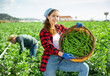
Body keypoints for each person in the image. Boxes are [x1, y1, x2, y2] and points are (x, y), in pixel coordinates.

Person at [39, 8, 89, 76]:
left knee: (84, 67)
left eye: (57, 16)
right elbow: (48, 47)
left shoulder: (59, 27)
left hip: (63, 59)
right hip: (51, 60)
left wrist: (77, 28)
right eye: (53, 16)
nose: (56, 18)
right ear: (48, 16)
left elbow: (70, 32)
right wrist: (62, 54)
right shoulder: (44, 31)